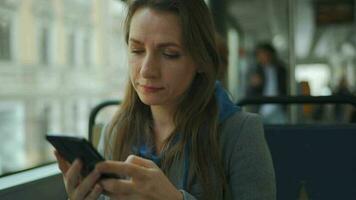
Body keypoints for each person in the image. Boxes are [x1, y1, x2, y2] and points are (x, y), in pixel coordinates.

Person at [54, 0, 276, 199]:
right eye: (137, 50)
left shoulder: (240, 133)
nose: (147, 70)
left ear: (201, 60)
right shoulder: (115, 130)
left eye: (169, 53)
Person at [247, 42, 287, 123]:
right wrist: (253, 85)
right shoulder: (255, 70)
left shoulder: (281, 69)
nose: (262, 57)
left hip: (278, 109)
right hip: (261, 110)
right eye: (260, 55)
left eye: (265, 54)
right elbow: (248, 92)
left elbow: (285, 88)